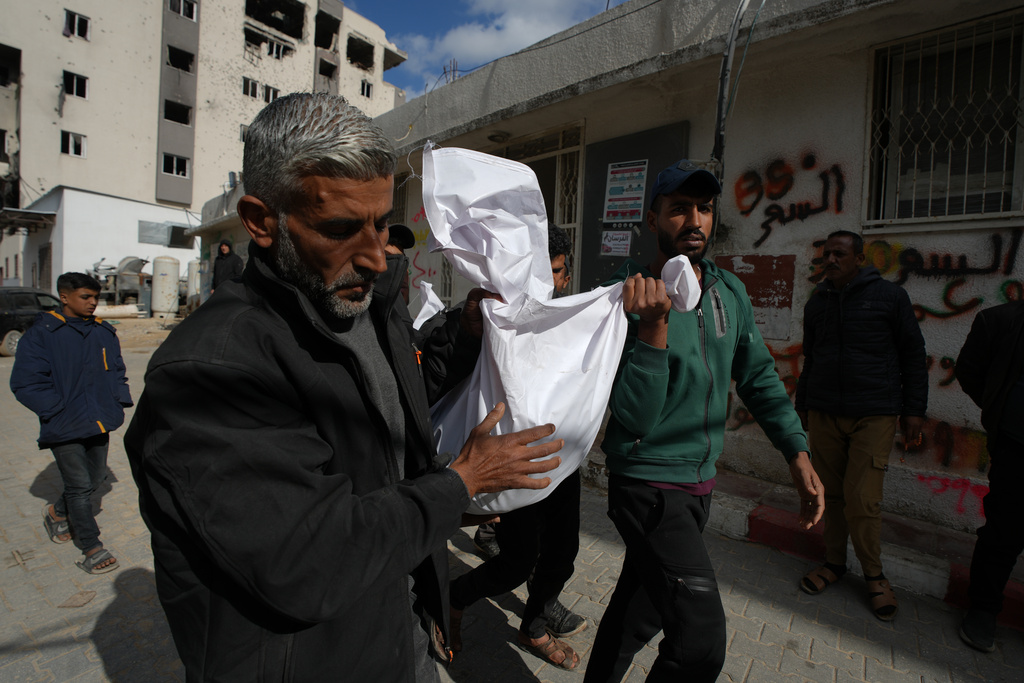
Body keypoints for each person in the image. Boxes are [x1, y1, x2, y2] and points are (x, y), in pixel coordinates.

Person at [124, 92, 564, 682]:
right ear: (260, 221)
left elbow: (396, 409)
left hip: (395, 635)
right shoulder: (213, 372)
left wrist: (465, 334)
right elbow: (309, 561)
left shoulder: (366, 306)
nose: (377, 257)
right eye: (340, 228)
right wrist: (459, 484)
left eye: (381, 224)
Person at [583, 159, 824, 683]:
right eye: (678, 209)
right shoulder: (625, 298)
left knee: (639, 610)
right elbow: (634, 416)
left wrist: (796, 452)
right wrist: (654, 326)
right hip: (647, 484)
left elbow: (758, 377)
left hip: (699, 485)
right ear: (653, 221)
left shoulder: (728, 291)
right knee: (700, 639)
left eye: (705, 209)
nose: (694, 220)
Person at [450, 223, 585, 671]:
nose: (548, 285)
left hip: (563, 459)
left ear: (566, 276)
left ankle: (535, 624)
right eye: (539, 276)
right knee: (515, 562)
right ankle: (455, 597)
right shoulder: (501, 314)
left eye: (557, 273)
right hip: (516, 460)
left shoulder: (578, 321)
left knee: (563, 556)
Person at [794, 230, 927, 621]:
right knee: (829, 494)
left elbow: (913, 354)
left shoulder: (889, 297)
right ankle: (834, 564)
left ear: (860, 258)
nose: (830, 260)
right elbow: (812, 358)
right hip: (824, 412)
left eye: (839, 254)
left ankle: (874, 575)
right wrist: (804, 406)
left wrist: (913, 410)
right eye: (826, 255)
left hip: (875, 412)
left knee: (863, 499)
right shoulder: (818, 302)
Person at [10, 271, 131, 575]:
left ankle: (56, 511)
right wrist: (55, 409)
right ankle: (91, 546)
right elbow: (25, 382)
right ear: (64, 297)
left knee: (96, 477)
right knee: (78, 485)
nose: (93, 303)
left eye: (96, 297)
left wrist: (118, 402)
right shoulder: (43, 333)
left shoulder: (104, 332)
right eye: (85, 297)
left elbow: (117, 370)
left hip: (99, 420)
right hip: (64, 424)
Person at [954, 301, 1024, 652]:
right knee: (1004, 532)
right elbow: (970, 371)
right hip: (1016, 448)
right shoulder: (1000, 320)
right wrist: (1004, 413)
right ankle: (983, 609)